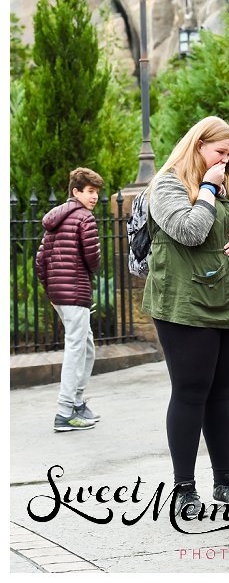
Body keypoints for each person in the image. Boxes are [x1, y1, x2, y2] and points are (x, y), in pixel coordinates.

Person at [144, 116, 229, 515]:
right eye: (220, 152)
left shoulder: (227, 180)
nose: (227, 161)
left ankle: (225, 482)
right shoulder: (167, 185)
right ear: (197, 146)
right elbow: (191, 231)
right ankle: (183, 489)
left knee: (222, 391)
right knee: (191, 390)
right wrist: (209, 186)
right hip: (185, 305)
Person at [38, 167, 104, 432]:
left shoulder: (55, 218)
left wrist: (51, 292)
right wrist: (92, 270)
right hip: (75, 291)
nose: (95, 197)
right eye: (90, 191)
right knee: (77, 350)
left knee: (86, 346)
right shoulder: (84, 217)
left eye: (97, 192)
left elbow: (40, 259)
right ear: (76, 192)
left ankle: (76, 402)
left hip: (60, 293)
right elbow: (93, 258)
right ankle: (65, 411)